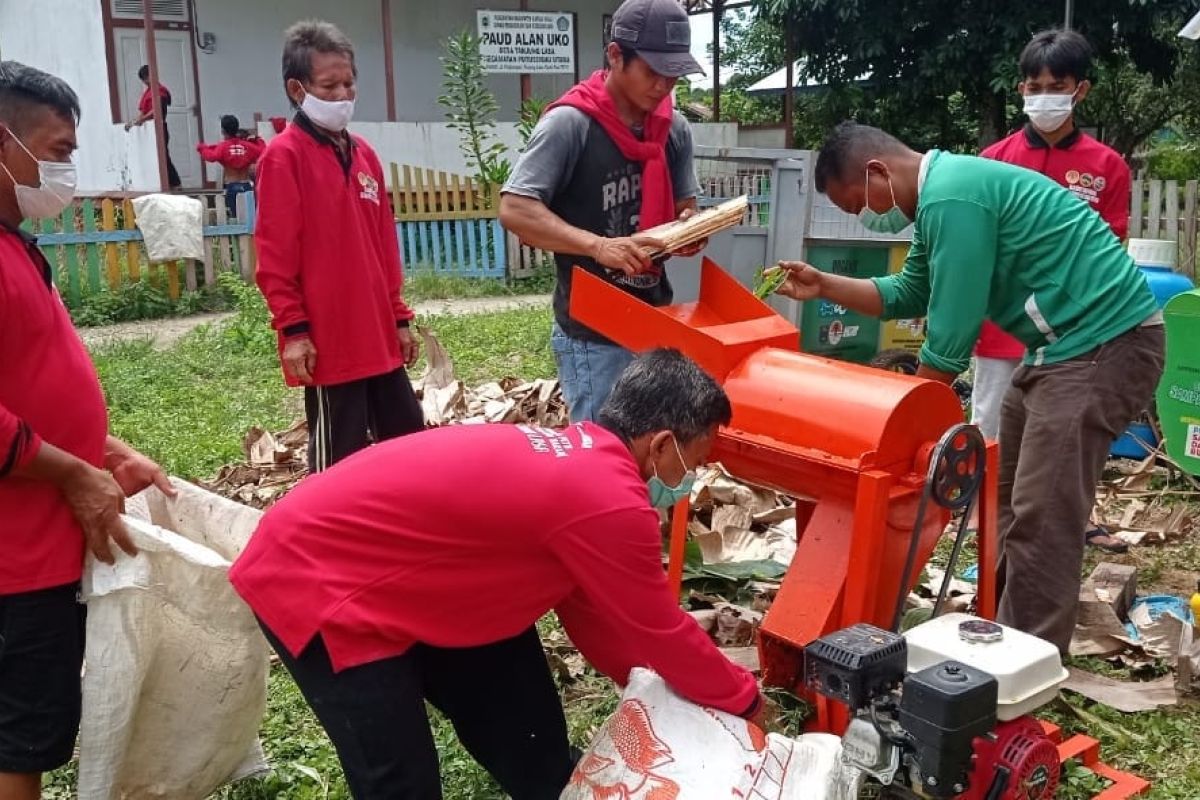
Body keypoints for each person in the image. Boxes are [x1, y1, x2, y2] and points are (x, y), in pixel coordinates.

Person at [229, 348, 766, 799]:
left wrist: (649, 690)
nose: (688, 477)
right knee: (400, 781)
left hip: (419, 581)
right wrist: (744, 700)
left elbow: (594, 616)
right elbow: (658, 628)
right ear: (662, 443)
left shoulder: (582, 464)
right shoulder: (612, 501)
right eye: (691, 462)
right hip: (318, 576)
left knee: (535, 747)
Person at [770, 122, 1163, 654]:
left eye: (858, 204)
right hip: (1058, 352)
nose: (865, 218)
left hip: (1104, 346)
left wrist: (898, 423)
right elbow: (911, 290)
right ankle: (997, 630)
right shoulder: (941, 198)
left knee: (1043, 513)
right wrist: (825, 285)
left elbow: (951, 329)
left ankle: (1029, 661)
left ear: (878, 172)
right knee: (1004, 500)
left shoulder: (952, 197)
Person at [0, 61, 174, 800]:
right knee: (20, 740)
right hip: (15, 560)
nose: (66, 167)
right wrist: (71, 473)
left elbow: (26, 376)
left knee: (29, 728)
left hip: (39, 542)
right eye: (56, 148)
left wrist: (102, 449)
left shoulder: (15, 247)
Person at [500, 0, 708, 423]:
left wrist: (689, 229)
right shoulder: (571, 124)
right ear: (616, 56)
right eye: (652, 71)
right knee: (601, 451)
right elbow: (515, 208)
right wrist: (599, 247)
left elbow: (686, 205)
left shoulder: (674, 129)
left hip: (654, 316)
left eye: (673, 75)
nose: (663, 85)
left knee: (653, 451)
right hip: (592, 330)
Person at [976, 28, 1133, 554]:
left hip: (1073, 335)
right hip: (1002, 329)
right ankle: (980, 524)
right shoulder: (992, 160)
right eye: (1034, 85)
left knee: (1067, 431)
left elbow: (1109, 251)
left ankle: (1069, 520)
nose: (1044, 95)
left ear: (1079, 90)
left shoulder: (1107, 167)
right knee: (992, 427)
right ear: (1021, 89)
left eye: (1056, 85)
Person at [254, 20, 422, 472]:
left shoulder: (364, 154)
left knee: (409, 443)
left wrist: (400, 317)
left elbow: (384, 247)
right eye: (329, 86)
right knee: (338, 464)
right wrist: (293, 330)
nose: (343, 95)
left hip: (379, 335)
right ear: (297, 88)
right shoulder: (284, 156)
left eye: (349, 83)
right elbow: (275, 256)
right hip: (331, 342)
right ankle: (329, 539)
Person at [124, 64, 182, 190]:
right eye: (145, 78)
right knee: (156, 157)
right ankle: (165, 184)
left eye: (147, 77)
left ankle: (175, 183)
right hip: (150, 129)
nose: (146, 81)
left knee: (163, 156)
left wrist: (141, 119)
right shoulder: (148, 93)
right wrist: (136, 121)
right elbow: (144, 112)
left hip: (160, 127)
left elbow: (157, 110)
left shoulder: (160, 91)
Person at [196, 114, 265, 216]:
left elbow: (211, 157)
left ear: (223, 131)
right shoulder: (248, 146)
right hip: (247, 186)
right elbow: (264, 150)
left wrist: (202, 147)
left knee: (234, 217)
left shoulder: (223, 147)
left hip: (231, 187)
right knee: (250, 217)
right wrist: (257, 139)